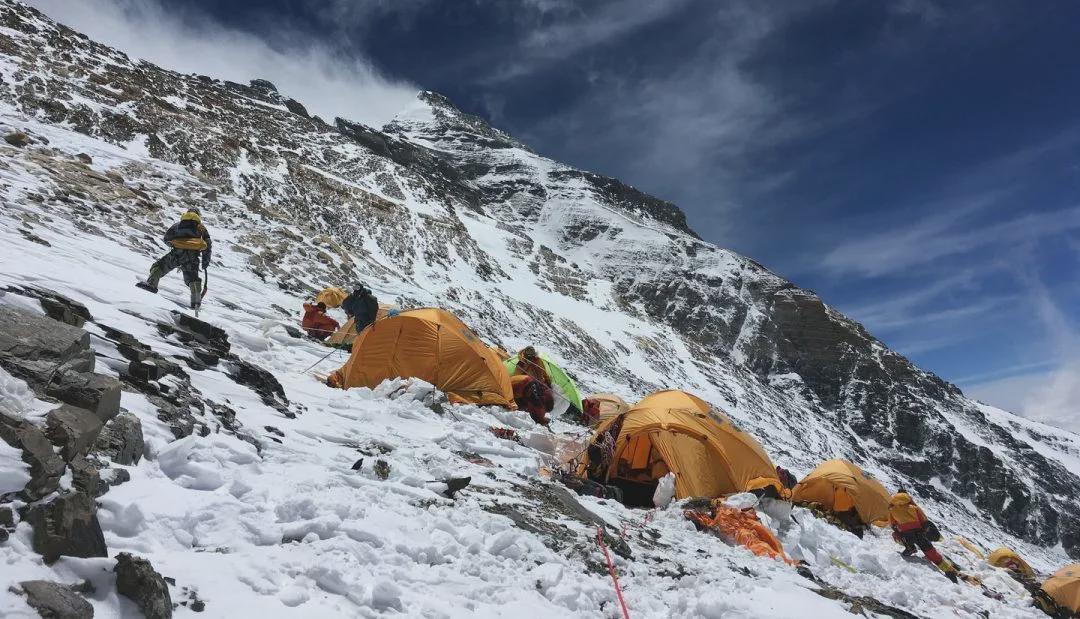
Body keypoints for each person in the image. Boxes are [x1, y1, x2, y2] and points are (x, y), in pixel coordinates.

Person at [137, 207, 212, 309]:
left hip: (177, 254)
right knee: (193, 279)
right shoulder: (201, 228)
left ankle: (151, 284)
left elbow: (167, 238)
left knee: (159, 266)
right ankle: (196, 302)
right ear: (198, 215)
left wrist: (176, 244)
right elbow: (207, 244)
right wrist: (205, 261)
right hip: (192, 257)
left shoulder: (178, 225)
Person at [888, 491, 959, 582]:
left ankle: (909, 547)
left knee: (895, 535)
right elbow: (924, 520)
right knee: (931, 552)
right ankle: (948, 570)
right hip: (919, 533)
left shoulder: (892, 510)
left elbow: (893, 525)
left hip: (906, 535)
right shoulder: (914, 508)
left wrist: (901, 530)